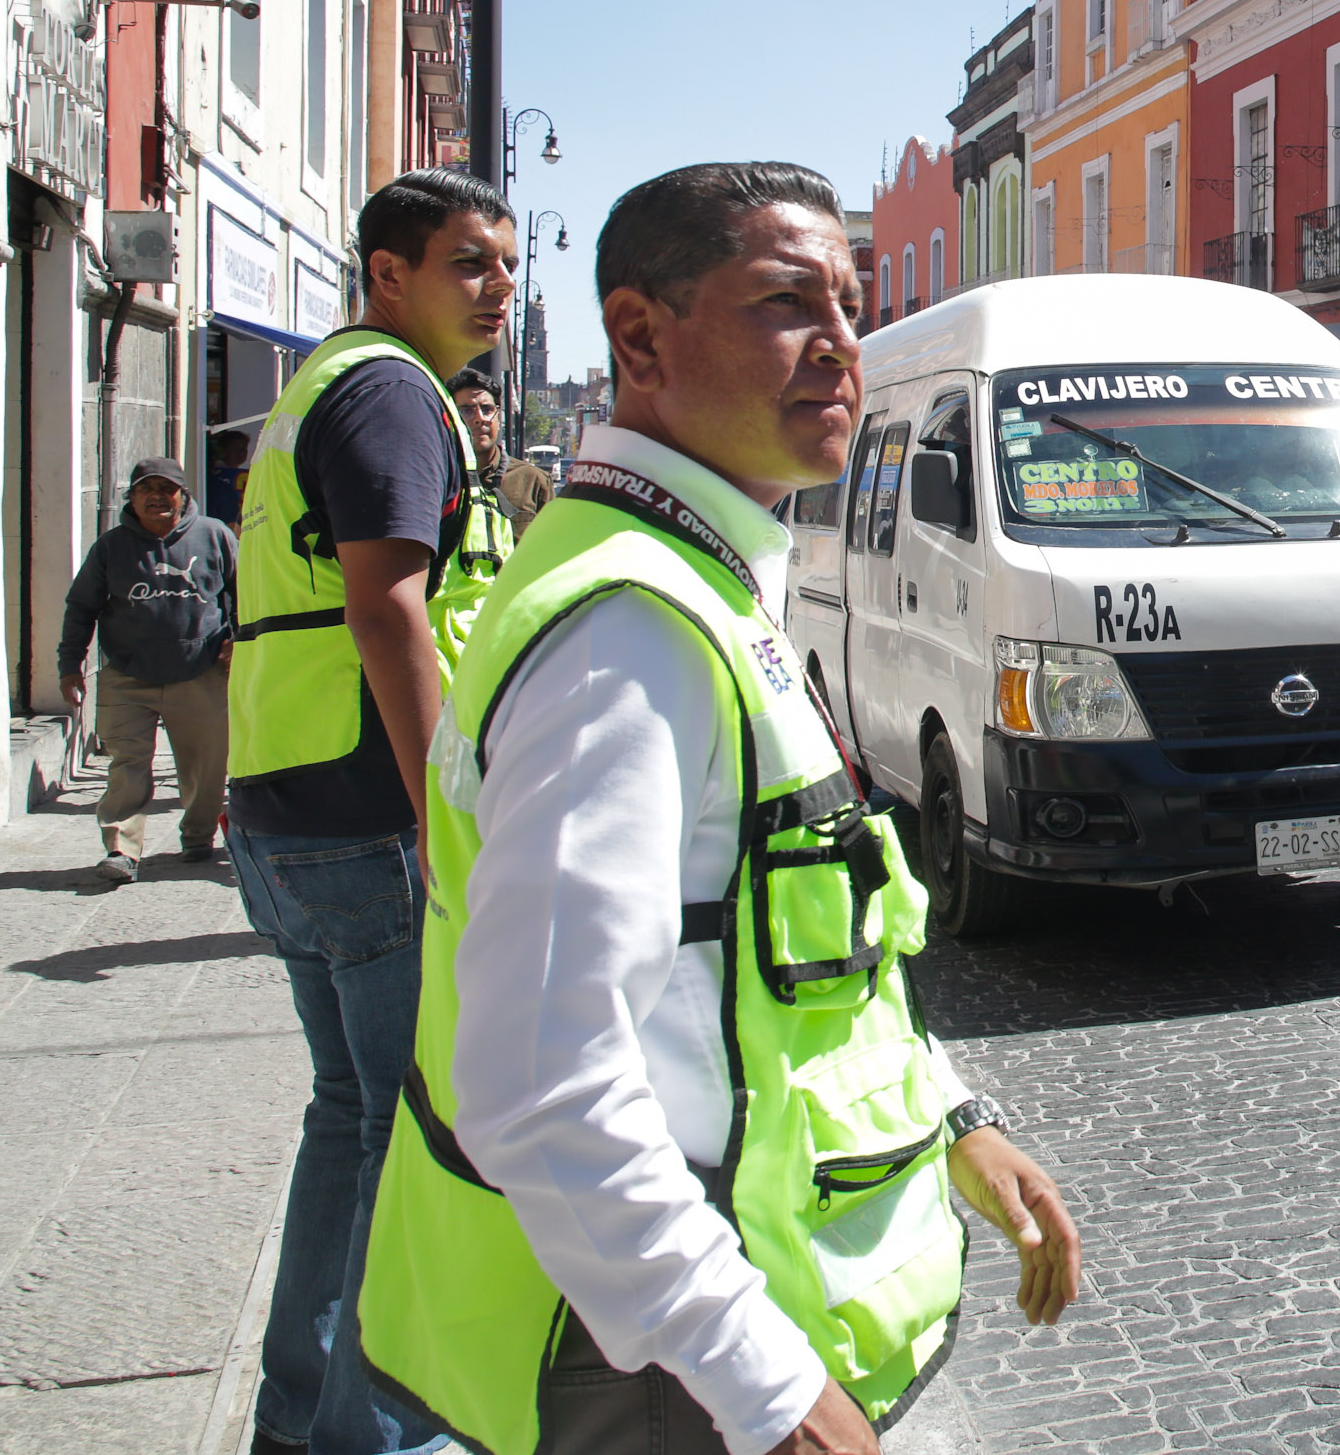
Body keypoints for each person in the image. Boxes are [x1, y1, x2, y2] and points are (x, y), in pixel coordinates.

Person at [365, 162, 1079, 1455]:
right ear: (639, 337)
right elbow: (538, 1079)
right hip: (657, 1367)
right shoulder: (622, 634)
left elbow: (810, 961)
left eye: (851, 306)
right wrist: (763, 1388)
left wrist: (954, 1119)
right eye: (787, 302)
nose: (843, 347)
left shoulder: (699, 583)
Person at [227, 166, 515, 1455]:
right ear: (388, 274)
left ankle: (299, 1419)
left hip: (286, 802)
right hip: (370, 817)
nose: (500, 286)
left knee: (349, 1119)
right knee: (409, 1145)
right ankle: (371, 1434)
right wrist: (445, 819)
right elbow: (390, 609)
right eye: (470, 263)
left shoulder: (325, 384)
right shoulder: (395, 394)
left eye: (507, 263)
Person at [59, 455, 237, 882]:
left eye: (167, 490)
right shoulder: (111, 547)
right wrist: (70, 664)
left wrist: (240, 640)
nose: (158, 497)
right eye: (147, 490)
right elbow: (82, 606)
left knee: (206, 766)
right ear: (133, 499)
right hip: (127, 673)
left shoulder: (214, 536)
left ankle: (198, 834)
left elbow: (244, 593)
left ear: (183, 495)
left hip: (201, 670)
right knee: (127, 762)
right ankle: (121, 848)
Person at [445, 368, 555, 537]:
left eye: (487, 409)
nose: (479, 418)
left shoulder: (534, 481)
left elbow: (551, 549)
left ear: (498, 416)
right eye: (466, 410)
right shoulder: (437, 479)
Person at [208, 427, 253, 525]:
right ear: (224, 451)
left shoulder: (244, 473)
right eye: (236, 449)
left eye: (244, 449)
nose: (242, 453)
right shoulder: (216, 474)